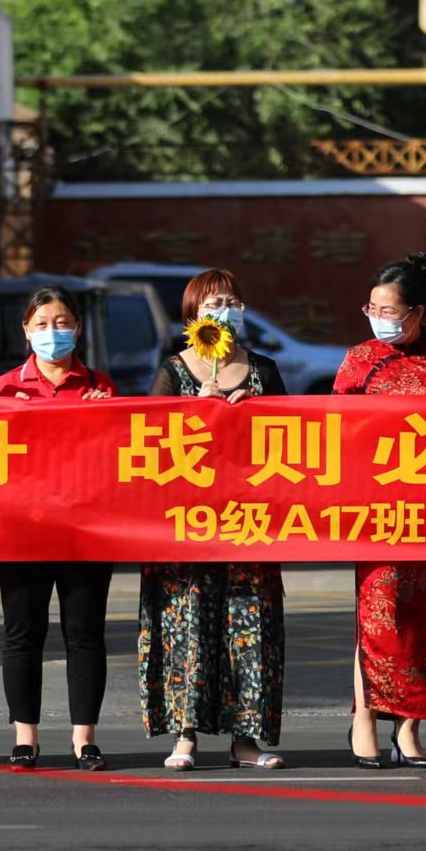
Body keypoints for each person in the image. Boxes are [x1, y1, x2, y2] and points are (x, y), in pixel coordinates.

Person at [142, 269, 288, 771]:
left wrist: (258, 412)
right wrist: (194, 412)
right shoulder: (173, 370)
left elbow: (295, 440)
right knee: (188, 624)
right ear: (192, 315)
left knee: (251, 627)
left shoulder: (263, 370)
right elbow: (148, 443)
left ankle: (246, 740)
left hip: (249, 524)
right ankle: (184, 735)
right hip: (188, 527)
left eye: (231, 301)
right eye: (212, 303)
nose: (223, 312)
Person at [333, 252, 426, 769]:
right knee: (379, 617)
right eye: (372, 308)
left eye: (390, 310)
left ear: (418, 312)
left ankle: (410, 727)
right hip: (379, 510)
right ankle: (366, 720)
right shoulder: (359, 360)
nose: (379, 318)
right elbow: (333, 429)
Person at [0, 287, 119, 770]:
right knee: (23, 633)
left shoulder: (99, 385)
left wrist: (106, 418)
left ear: (78, 328)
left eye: (62, 323)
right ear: (26, 331)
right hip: (22, 529)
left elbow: (120, 456)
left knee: (84, 634)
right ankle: (26, 737)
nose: (52, 332)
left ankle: (85, 739)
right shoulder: (4, 387)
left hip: (85, 529)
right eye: (41, 324)